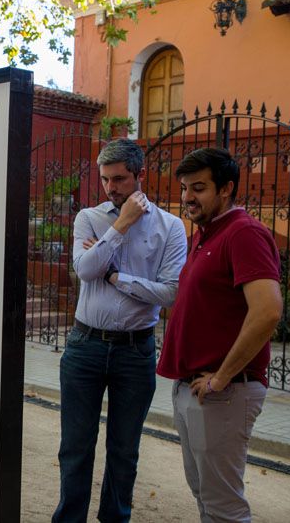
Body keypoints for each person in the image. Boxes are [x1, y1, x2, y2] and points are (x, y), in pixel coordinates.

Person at [54, 138, 187, 523]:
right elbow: (84, 270)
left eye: (120, 179)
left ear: (140, 176)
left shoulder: (170, 227)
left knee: (124, 450)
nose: (111, 187)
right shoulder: (88, 218)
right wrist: (121, 225)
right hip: (85, 346)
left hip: (135, 350)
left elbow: (170, 293)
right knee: (76, 446)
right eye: (105, 179)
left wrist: (114, 274)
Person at [157, 148, 283, 523]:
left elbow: (268, 311)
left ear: (226, 189)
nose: (188, 198)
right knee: (206, 498)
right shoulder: (206, 234)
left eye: (199, 188)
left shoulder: (243, 233)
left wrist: (221, 378)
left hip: (224, 392)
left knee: (223, 508)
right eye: (184, 188)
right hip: (196, 388)